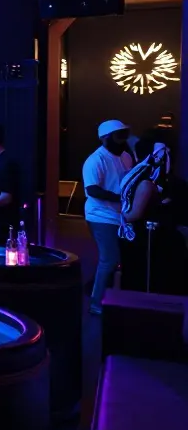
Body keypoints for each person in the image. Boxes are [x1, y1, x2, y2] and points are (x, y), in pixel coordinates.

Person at [118, 132, 186, 296]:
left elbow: (135, 213)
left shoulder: (145, 183)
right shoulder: (166, 182)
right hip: (149, 240)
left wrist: (120, 218)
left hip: (149, 240)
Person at [83, 120, 134, 313]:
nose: (123, 140)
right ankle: (96, 303)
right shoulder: (95, 160)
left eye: (124, 135)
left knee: (118, 259)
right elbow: (92, 189)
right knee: (109, 259)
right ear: (105, 138)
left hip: (121, 215)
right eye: (119, 136)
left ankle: (115, 298)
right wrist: (122, 197)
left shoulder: (126, 157)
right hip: (100, 216)